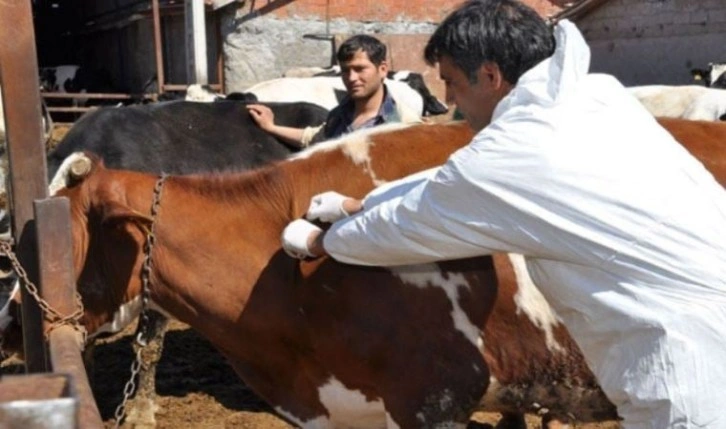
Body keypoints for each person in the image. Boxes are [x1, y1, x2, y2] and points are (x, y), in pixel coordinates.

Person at [280, 1, 726, 428]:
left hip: (688, 372)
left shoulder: (514, 154)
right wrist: (361, 204)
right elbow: (461, 179)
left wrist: (323, 242)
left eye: (452, 81)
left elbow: (412, 224)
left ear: (490, 75)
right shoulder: (590, 96)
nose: (448, 96)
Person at [246, 35, 422, 149]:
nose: (351, 78)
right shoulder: (339, 115)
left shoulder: (404, 125)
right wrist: (271, 127)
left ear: (382, 69)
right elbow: (313, 138)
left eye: (360, 69)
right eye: (346, 70)